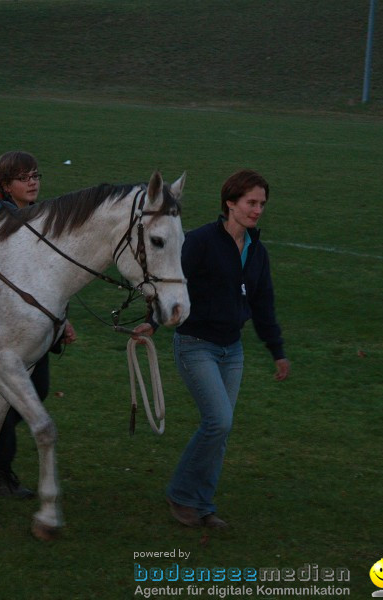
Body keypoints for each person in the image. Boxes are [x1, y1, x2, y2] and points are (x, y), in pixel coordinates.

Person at [136, 168, 290, 529]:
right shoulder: (202, 241)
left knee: (220, 428)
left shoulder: (257, 252)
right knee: (218, 421)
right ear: (230, 203)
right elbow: (173, 282)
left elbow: (263, 304)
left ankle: (201, 503)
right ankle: (182, 493)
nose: (258, 210)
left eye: (262, 204)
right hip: (195, 344)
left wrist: (277, 351)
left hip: (232, 350)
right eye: (251, 203)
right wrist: (154, 322)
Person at [0, 151, 77, 497]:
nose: (33, 182)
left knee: (36, 389)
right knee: (7, 396)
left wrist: (62, 319)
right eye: (24, 177)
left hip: (31, 324)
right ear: (6, 185)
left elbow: (50, 277)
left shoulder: (37, 217)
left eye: (36, 175)